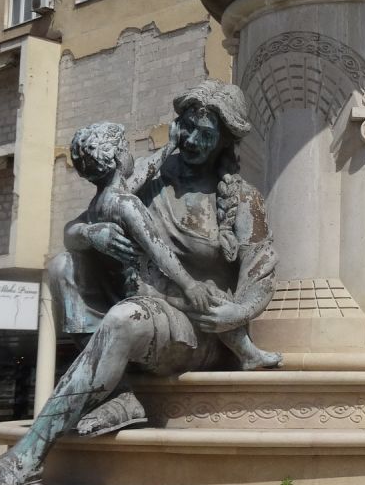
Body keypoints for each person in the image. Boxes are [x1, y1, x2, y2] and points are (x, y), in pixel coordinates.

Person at [0, 81, 280, 485]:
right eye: (187, 127)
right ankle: (120, 394)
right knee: (63, 265)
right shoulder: (148, 178)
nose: (192, 140)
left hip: (200, 330)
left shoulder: (243, 199)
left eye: (206, 133)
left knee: (127, 318)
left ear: (225, 139)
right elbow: (73, 231)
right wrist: (93, 234)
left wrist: (235, 314)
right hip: (145, 304)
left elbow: (261, 271)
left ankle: (28, 455)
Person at [67, 120, 278, 371]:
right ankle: (249, 354)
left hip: (144, 286)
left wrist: (168, 146)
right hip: (150, 286)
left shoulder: (104, 200)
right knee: (210, 299)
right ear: (117, 158)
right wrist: (190, 285)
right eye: (125, 148)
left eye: (206, 133)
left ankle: (248, 353)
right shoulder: (127, 202)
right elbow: (159, 250)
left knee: (211, 299)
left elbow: (142, 173)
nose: (192, 140)